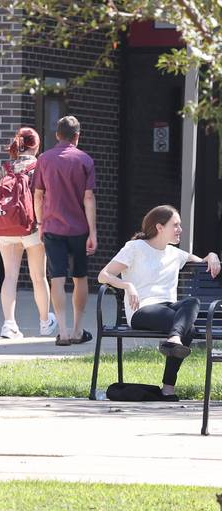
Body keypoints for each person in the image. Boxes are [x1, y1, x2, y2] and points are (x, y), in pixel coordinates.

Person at [98, 205, 220, 399]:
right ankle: (168, 388)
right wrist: (128, 285)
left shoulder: (175, 253)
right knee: (189, 329)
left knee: (193, 302)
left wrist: (213, 255)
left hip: (168, 308)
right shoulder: (135, 248)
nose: (180, 230)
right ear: (159, 227)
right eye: (176, 225)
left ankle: (173, 339)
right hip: (142, 310)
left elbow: (203, 261)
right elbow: (103, 275)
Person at [33, 115, 97, 346]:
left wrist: (40, 223)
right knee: (80, 278)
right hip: (79, 228)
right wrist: (93, 232)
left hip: (52, 226)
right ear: (77, 136)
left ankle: (63, 331)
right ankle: (78, 329)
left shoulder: (44, 159)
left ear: (57, 135)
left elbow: (38, 195)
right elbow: (88, 197)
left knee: (57, 279)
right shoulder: (85, 160)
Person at [0, 127, 57, 339]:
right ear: (36, 146)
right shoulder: (38, 165)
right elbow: (42, 197)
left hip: (5, 228)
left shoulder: (6, 166)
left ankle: (9, 325)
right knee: (38, 277)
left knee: (9, 276)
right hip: (32, 227)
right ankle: (44, 322)